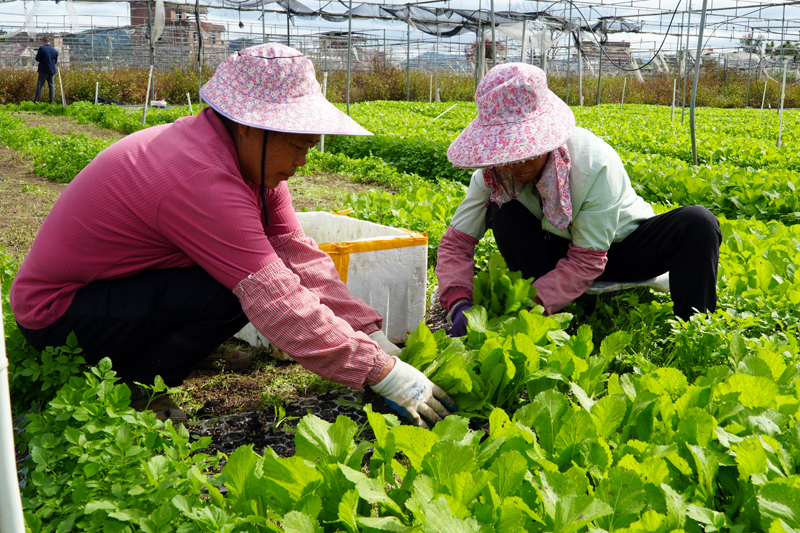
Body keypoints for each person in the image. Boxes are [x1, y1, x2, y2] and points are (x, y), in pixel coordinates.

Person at [11, 44, 456, 428]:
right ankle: (135, 387)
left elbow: (297, 254)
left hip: (115, 289)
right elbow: (274, 296)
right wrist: (378, 371)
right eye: (298, 144)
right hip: (57, 316)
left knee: (236, 281)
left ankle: (165, 348)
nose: (304, 160)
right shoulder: (200, 176)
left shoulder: (244, 162)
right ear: (250, 126)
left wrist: (369, 334)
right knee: (233, 292)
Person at [436, 63, 721, 336]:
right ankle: (549, 296)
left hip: (621, 250)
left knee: (697, 223)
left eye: (525, 152)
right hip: (556, 253)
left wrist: (530, 307)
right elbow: (456, 244)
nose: (515, 165)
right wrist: (458, 303)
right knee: (503, 209)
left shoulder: (594, 162)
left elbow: (587, 260)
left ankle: (694, 330)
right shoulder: (493, 176)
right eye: (507, 154)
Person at [33, 36, 59, 105]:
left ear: (43, 42)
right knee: (51, 86)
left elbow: (38, 59)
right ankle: (51, 102)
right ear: (50, 42)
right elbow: (55, 61)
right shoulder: (54, 50)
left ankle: (36, 102)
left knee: (40, 86)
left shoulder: (42, 48)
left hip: (43, 70)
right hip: (52, 70)